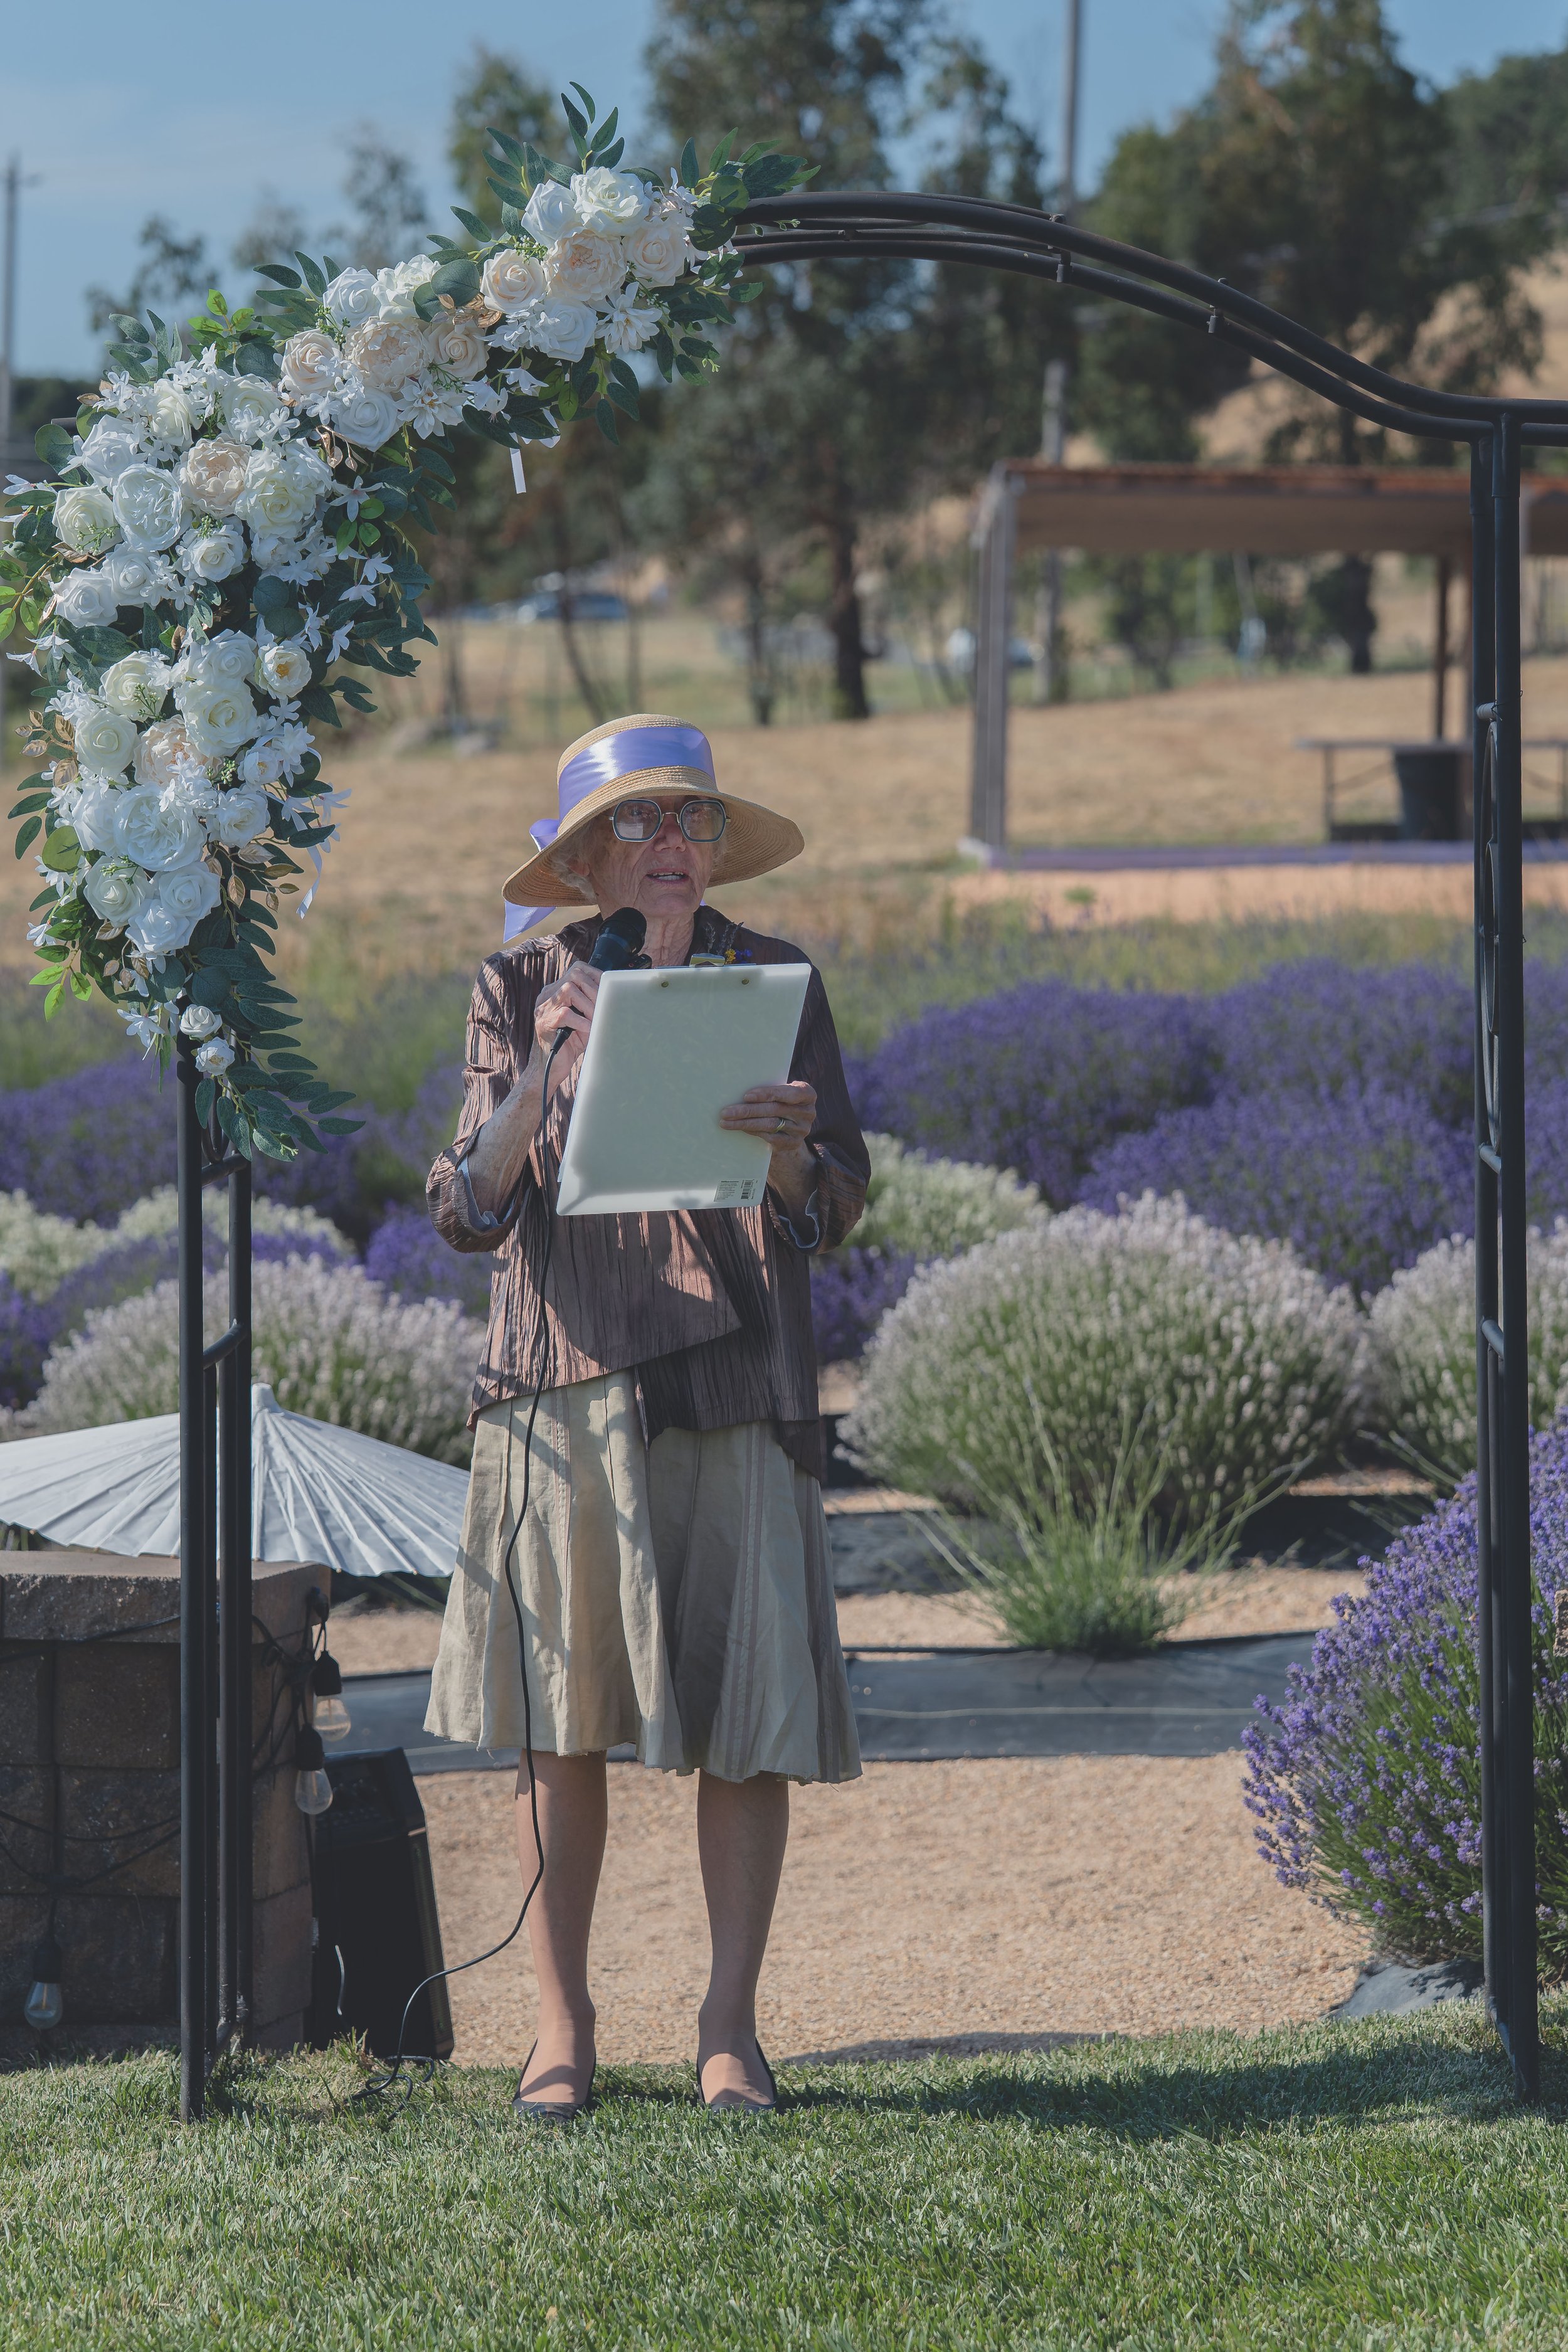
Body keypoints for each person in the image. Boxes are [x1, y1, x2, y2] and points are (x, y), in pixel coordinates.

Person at [425, 711, 868, 2116]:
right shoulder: (516, 984)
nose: (669, 844)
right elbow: (465, 1208)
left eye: (687, 820)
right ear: (583, 861)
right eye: (636, 822)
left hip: (740, 1379)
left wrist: (793, 1154)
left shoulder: (778, 979)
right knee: (559, 1717)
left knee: (747, 1712)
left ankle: (729, 2029)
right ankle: (561, 2029)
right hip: (567, 1375)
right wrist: (545, 1071)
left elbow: (836, 1207)